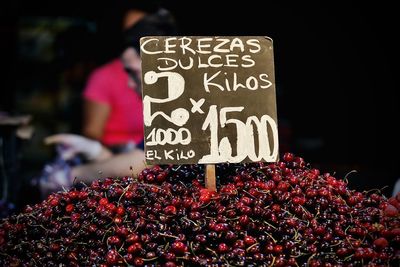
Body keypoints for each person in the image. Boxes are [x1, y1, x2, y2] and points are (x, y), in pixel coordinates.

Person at [38, 7, 178, 198]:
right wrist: (94, 151)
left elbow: (142, 164)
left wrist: (72, 175)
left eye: (133, 72)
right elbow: (139, 160)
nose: (129, 83)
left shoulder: (181, 107)